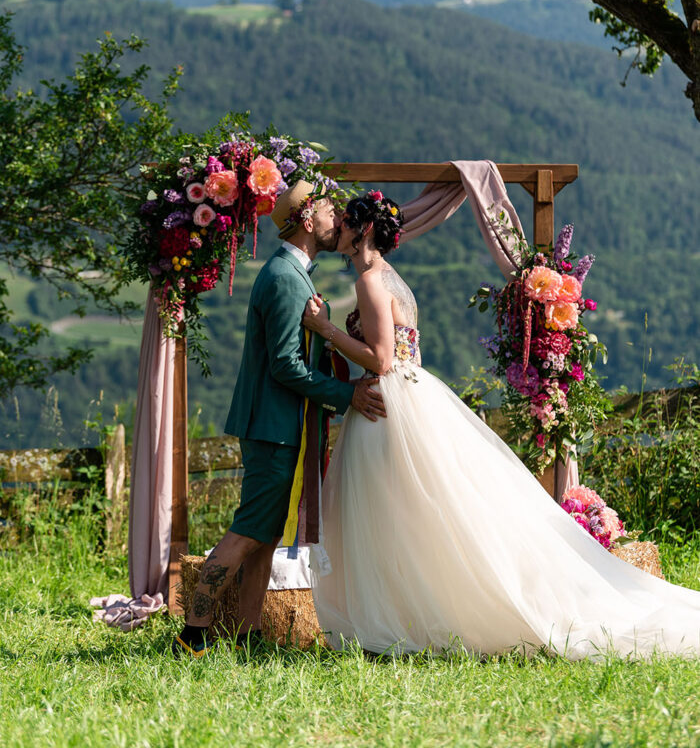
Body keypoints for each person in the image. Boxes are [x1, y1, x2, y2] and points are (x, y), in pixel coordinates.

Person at [302, 190, 700, 659]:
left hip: (384, 403)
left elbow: (384, 359)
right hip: (414, 394)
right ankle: (411, 614)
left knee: (393, 513)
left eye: (347, 223)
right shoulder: (391, 277)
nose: (339, 229)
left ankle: (401, 620)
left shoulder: (370, 281)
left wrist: (326, 330)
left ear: (364, 230)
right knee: (422, 511)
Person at [172, 180, 385, 657]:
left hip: (277, 425)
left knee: (264, 536)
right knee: (247, 532)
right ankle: (191, 634)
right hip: (274, 428)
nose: (338, 221)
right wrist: (345, 394)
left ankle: (248, 636)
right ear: (309, 221)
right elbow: (286, 365)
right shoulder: (286, 278)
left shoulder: (290, 273)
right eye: (331, 212)